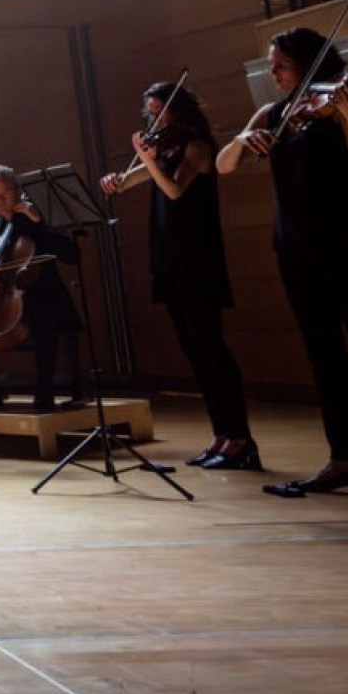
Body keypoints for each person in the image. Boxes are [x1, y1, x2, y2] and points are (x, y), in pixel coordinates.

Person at [217, 27, 348, 498]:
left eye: (280, 66)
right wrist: (245, 139)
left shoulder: (339, 101)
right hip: (296, 250)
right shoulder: (275, 114)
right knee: (325, 356)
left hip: (345, 243)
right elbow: (223, 164)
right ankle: (342, 456)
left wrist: (341, 108)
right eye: (271, 65)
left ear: (308, 61)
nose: (271, 74)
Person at [100, 81, 254, 470]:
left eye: (159, 110)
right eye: (150, 112)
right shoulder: (165, 148)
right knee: (195, 353)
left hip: (198, 262)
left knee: (212, 350)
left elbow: (173, 191)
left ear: (179, 110)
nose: (153, 118)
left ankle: (241, 439)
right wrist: (114, 182)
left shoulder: (197, 147)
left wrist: (147, 160)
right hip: (171, 262)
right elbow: (131, 180)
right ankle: (222, 436)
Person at [0, 165, 82, 412]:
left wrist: (40, 222)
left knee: (44, 315)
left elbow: (72, 255)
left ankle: (45, 392)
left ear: (19, 191)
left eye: (5, 192)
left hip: (42, 297)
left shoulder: (39, 221)